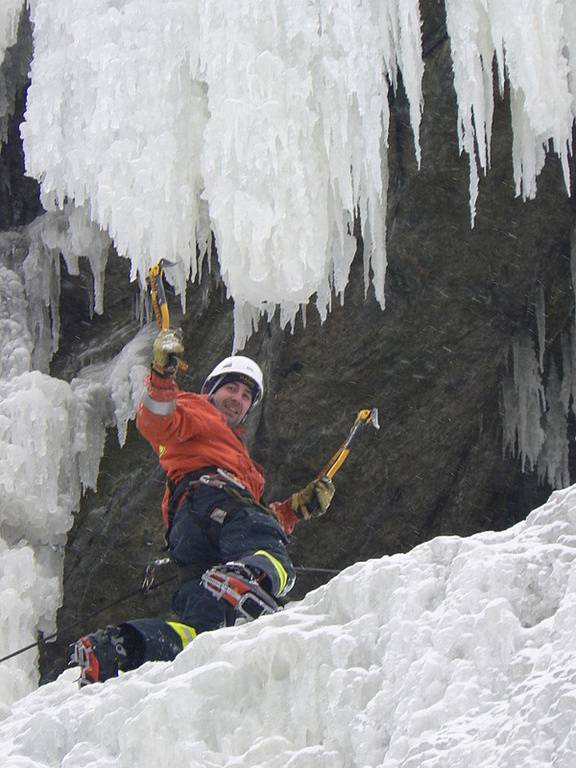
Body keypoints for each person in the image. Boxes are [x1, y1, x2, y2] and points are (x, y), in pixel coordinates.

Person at [70, 328, 335, 685]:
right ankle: (252, 577)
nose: (238, 399)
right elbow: (154, 421)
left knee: (200, 632)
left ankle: (118, 648)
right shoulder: (196, 410)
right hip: (212, 501)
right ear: (212, 390)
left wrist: (294, 510)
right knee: (273, 554)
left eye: (245, 396)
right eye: (231, 389)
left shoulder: (238, 457)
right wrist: (163, 376)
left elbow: (252, 517)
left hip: (193, 536)